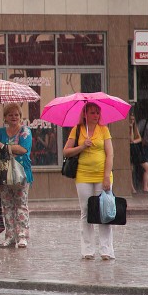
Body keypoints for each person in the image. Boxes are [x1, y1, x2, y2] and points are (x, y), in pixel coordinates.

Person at [63, 102, 114, 260]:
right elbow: (66, 151)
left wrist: (106, 176)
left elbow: (110, 154)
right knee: (86, 211)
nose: (96, 116)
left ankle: (106, 250)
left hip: (102, 175)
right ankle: (87, 250)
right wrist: (82, 146)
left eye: (97, 113)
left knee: (103, 211)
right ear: (85, 114)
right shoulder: (77, 130)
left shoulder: (104, 130)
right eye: (92, 113)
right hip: (83, 175)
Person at [0, 103, 33, 249]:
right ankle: (10, 236)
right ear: (5, 118)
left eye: (16, 114)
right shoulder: (2, 132)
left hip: (21, 173)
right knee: (7, 206)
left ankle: (22, 236)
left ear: (20, 117)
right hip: (4, 173)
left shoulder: (25, 131)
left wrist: (4, 146)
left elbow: (23, 149)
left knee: (21, 205)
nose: (14, 117)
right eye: (10, 115)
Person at [129, 113, 148, 193]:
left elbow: (139, 138)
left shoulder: (135, 127)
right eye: (130, 120)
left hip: (136, 149)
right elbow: (130, 139)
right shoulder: (128, 128)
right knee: (130, 169)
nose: (132, 121)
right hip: (130, 150)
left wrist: (134, 142)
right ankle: (132, 188)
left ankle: (145, 187)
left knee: (147, 168)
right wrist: (130, 128)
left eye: (133, 120)